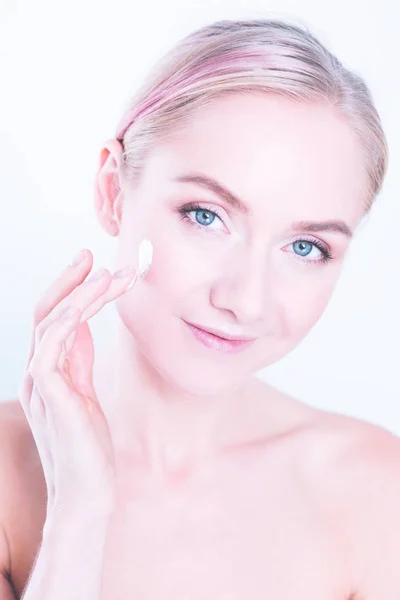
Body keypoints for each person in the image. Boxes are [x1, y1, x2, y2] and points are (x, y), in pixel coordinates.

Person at [0, 16, 399, 600]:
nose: (245, 299)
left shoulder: (377, 491)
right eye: (206, 215)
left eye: (305, 247)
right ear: (114, 191)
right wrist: (79, 511)